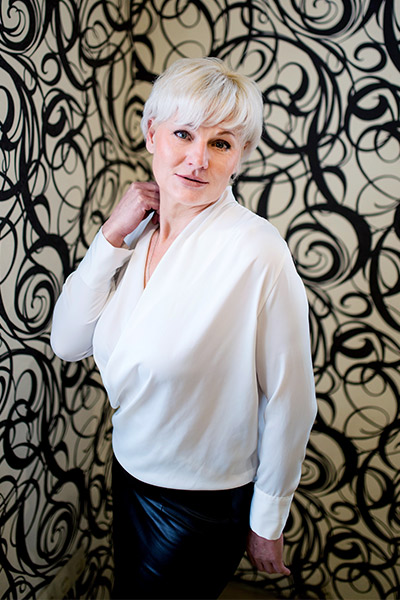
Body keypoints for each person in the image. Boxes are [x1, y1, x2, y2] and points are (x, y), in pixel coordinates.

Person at [51, 57, 317, 599]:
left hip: (201, 502)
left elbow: (291, 398)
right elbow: (68, 342)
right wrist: (109, 238)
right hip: (129, 472)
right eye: (183, 133)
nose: (198, 159)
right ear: (152, 133)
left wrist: (268, 519)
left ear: (240, 155)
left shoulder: (257, 252)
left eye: (221, 143)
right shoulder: (135, 235)